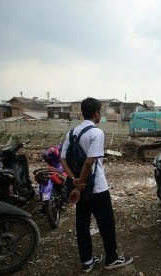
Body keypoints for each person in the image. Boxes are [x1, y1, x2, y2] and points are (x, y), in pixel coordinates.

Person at [60, 97, 133, 273]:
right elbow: (89, 162)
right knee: (106, 223)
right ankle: (111, 258)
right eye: (100, 112)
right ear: (96, 113)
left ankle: (87, 261)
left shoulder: (71, 133)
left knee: (82, 225)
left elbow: (62, 159)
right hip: (97, 188)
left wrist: (74, 180)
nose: (100, 115)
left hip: (80, 186)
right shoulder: (96, 133)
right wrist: (80, 186)